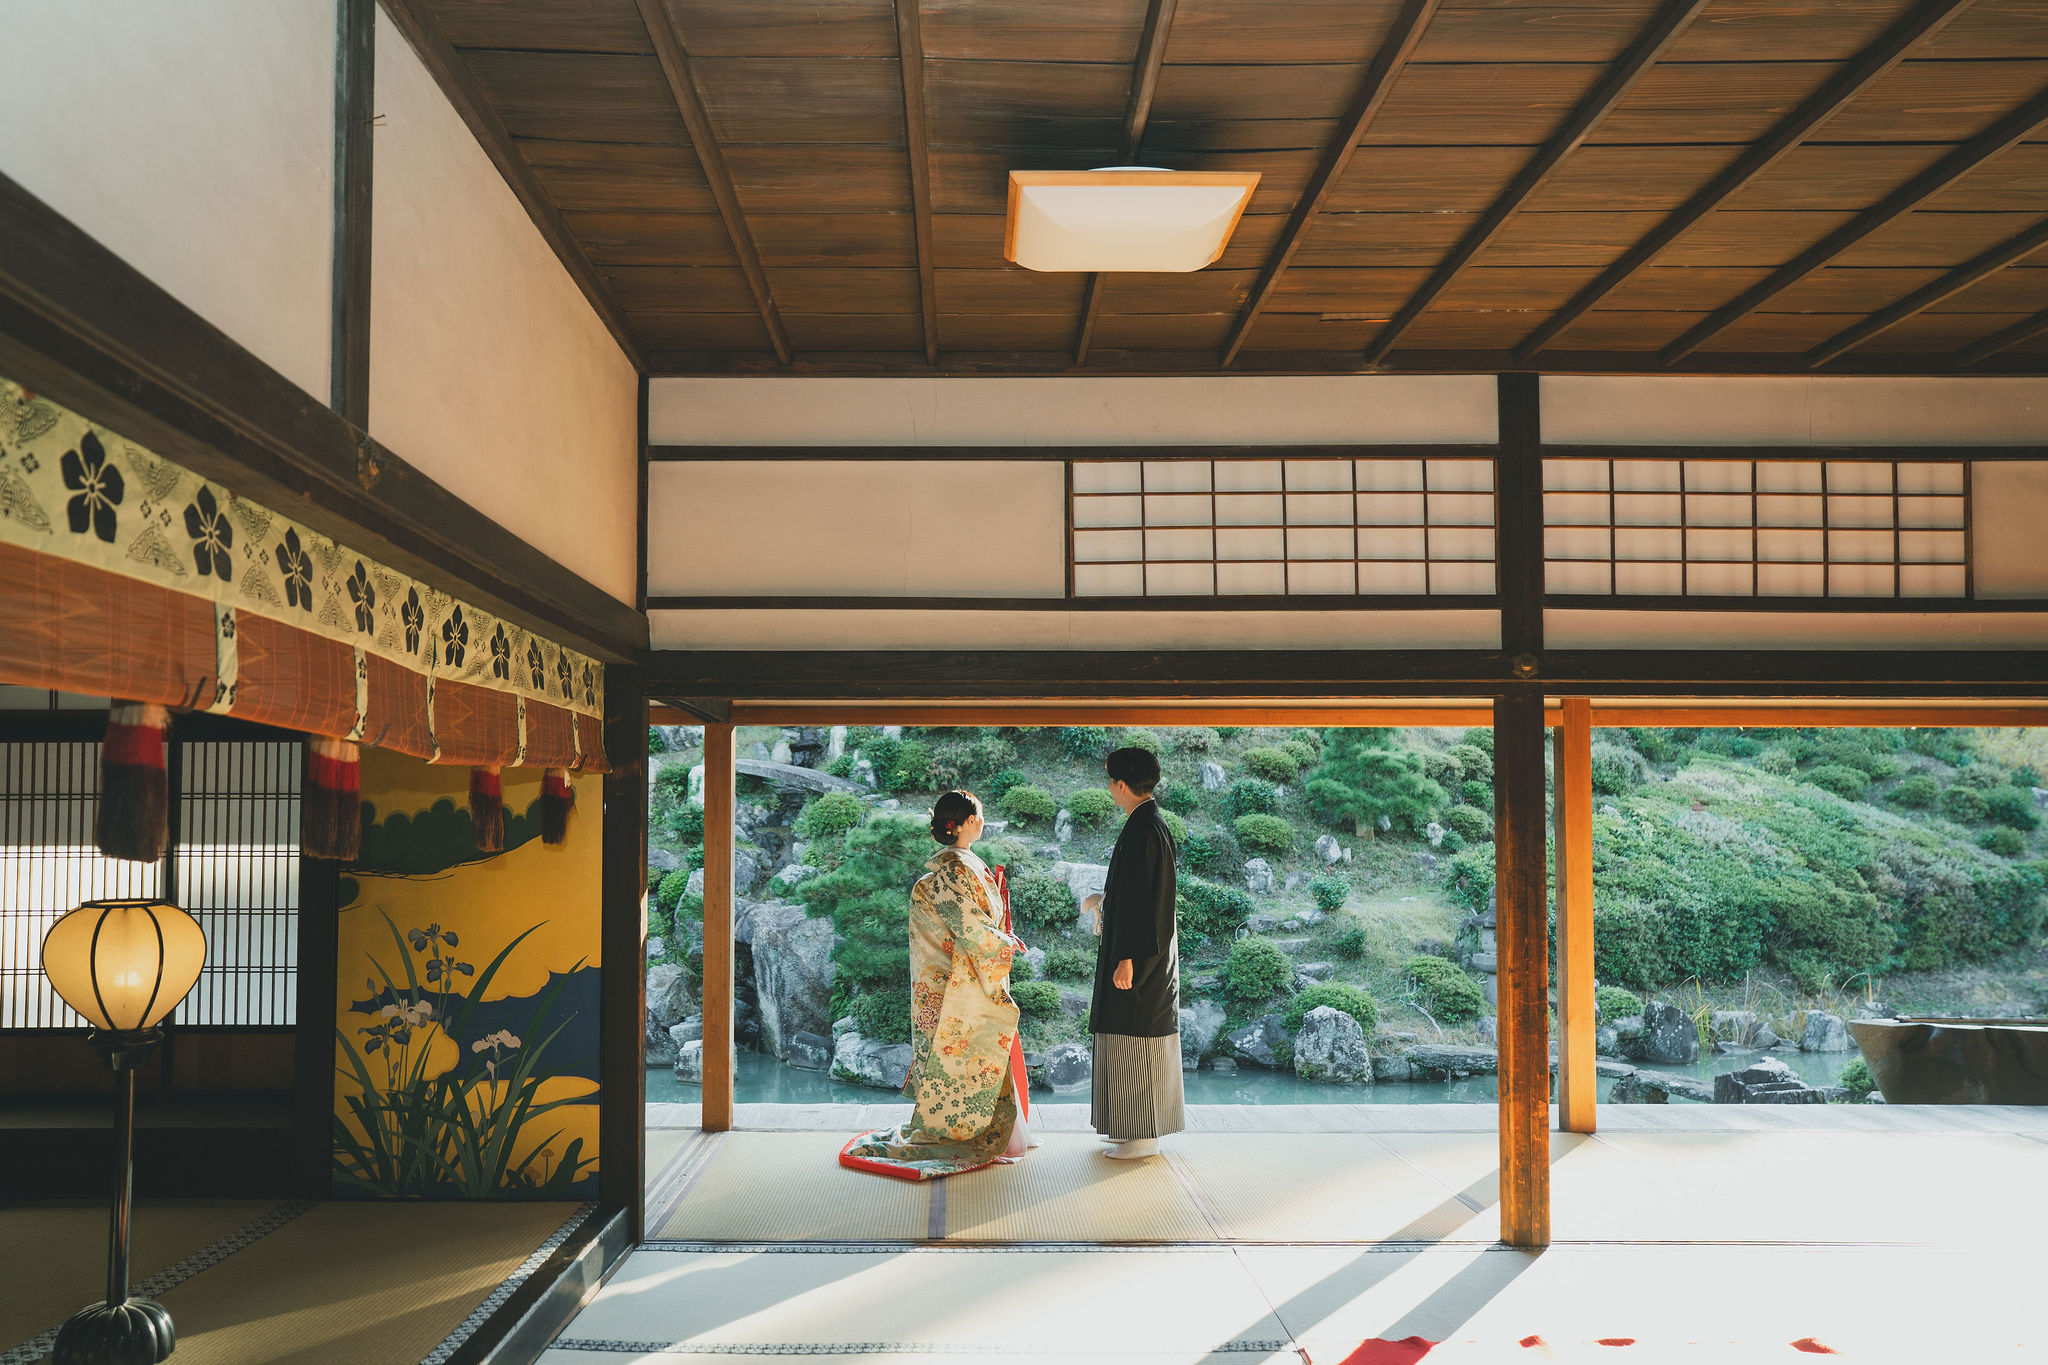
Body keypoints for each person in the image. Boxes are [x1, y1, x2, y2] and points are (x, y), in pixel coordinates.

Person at [840, 790, 1034, 1181]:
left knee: (980, 1057)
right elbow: (968, 924)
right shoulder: (953, 869)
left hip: (957, 976)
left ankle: (999, 1134)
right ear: (961, 822)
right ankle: (961, 1134)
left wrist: (998, 940)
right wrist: (1003, 943)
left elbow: (974, 921)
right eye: (977, 813)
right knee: (963, 1056)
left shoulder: (960, 864)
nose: (981, 819)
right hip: (952, 984)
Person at [1091, 745, 1184, 1160]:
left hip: (1141, 957)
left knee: (1137, 1034)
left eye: (1111, 781)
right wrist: (1104, 900)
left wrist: (1126, 956)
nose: (1110, 788)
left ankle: (1143, 1134)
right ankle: (1130, 1128)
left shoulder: (1146, 828)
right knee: (1129, 1033)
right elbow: (1131, 894)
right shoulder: (1146, 823)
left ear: (1123, 784)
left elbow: (1142, 903)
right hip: (1143, 950)